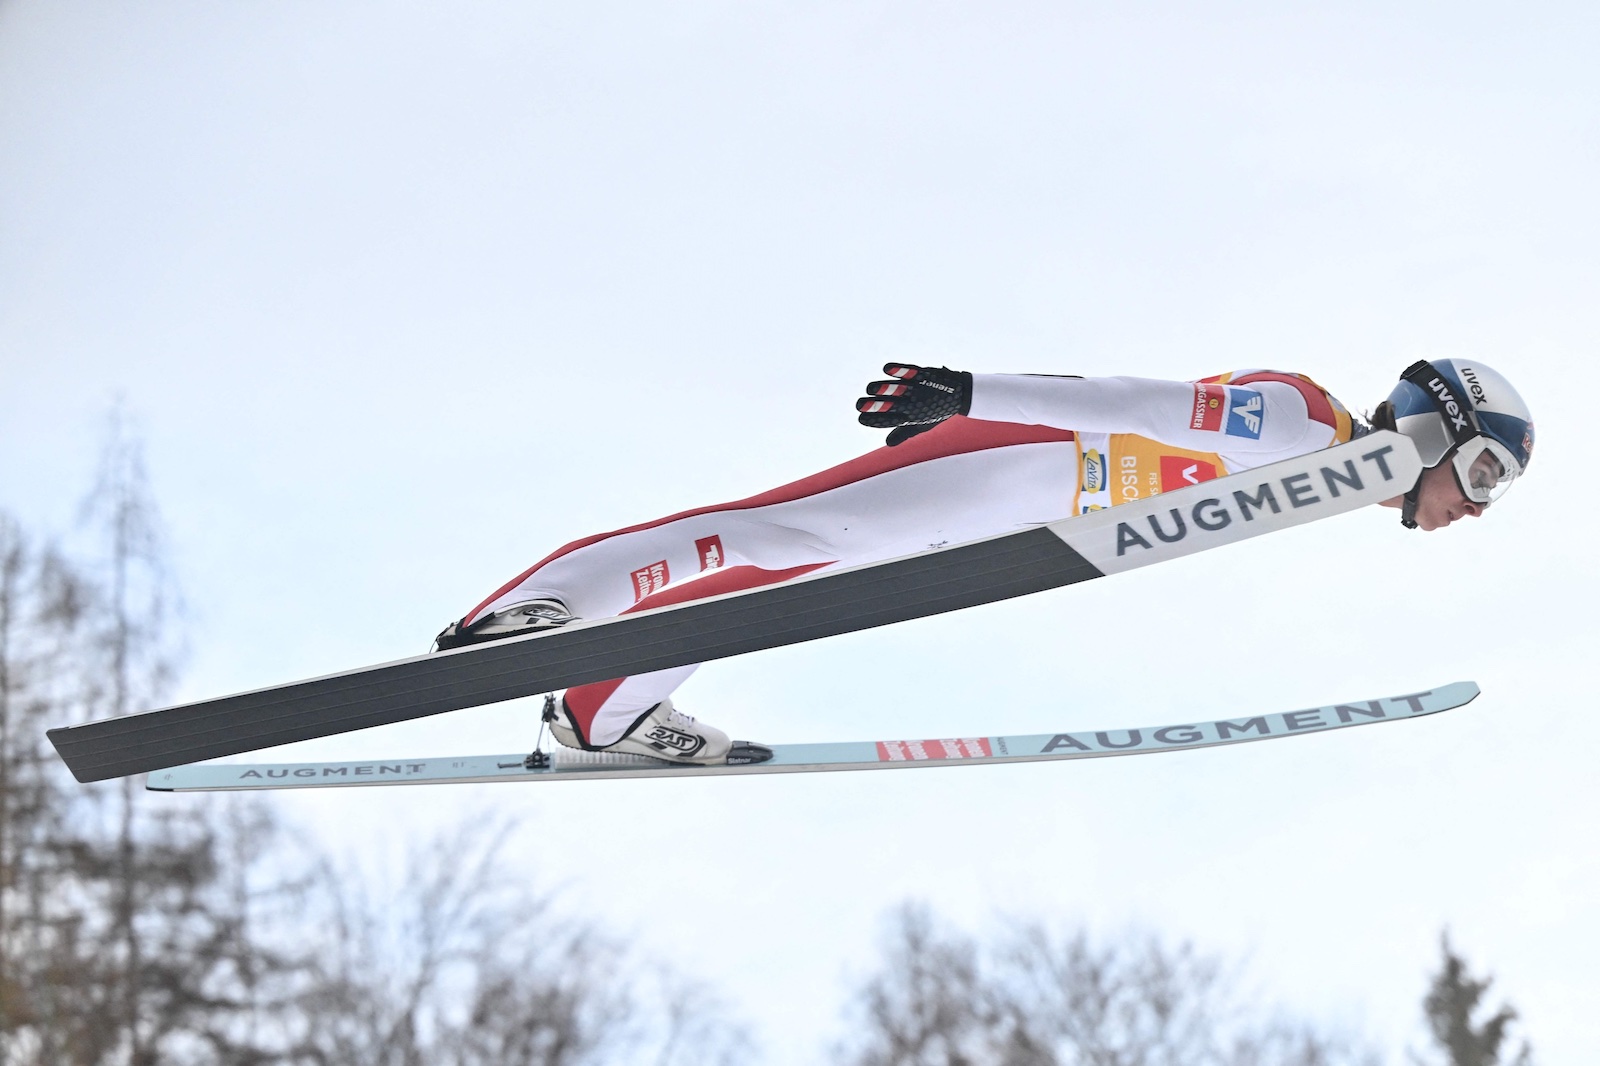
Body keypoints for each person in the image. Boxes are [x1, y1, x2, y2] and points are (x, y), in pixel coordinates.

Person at [433, 359, 1534, 765]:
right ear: (1433, 427)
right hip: (1013, 460)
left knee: (792, 584)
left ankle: (604, 709)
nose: (1473, 510)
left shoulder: (1318, 475)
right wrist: (969, 394)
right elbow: (1139, 403)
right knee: (779, 533)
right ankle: (539, 608)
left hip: (1022, 509)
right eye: (1482, 474)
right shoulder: (1304, 422)